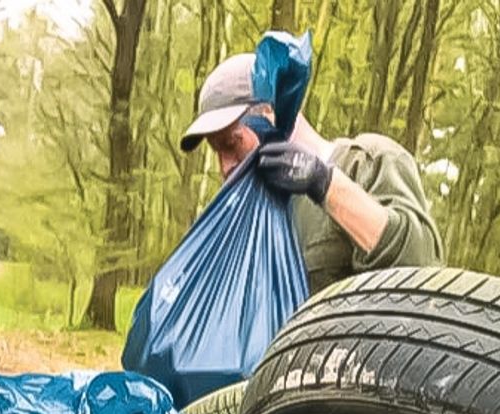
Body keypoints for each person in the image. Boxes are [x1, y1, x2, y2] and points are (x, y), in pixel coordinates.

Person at [180, 52, 445, 294]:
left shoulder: (366, 162)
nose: (225, 167)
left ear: (272, 112)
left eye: (231, 143)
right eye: (217, 153)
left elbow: (419, 272)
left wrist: (323, 182)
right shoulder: (258, 221)